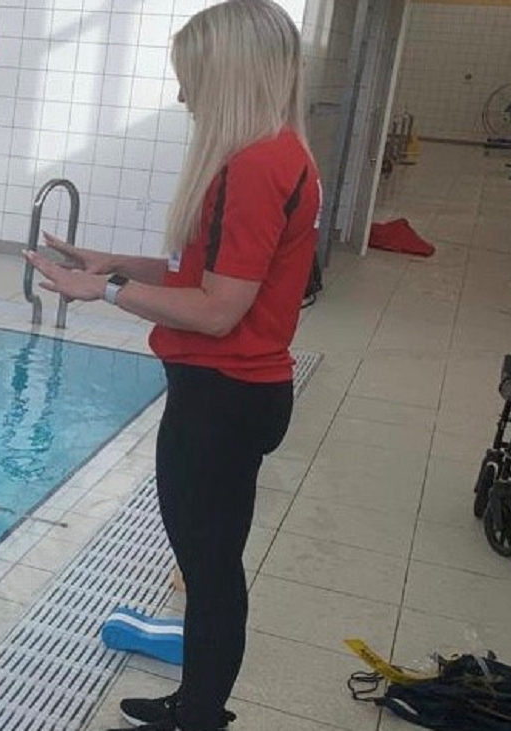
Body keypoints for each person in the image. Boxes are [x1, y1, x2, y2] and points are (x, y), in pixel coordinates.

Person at [25, 2, 318, 730]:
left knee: (211, 570)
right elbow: (208, 273)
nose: (184, 96)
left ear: (228, 75)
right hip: (235, 392)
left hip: (222, 398)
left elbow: (218, 310)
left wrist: (108, 291)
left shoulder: (256, 164)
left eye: (191, 80)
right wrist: (116, 261)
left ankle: (199, 713)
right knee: (210, 561)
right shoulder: (273, 155)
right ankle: (198, 702)